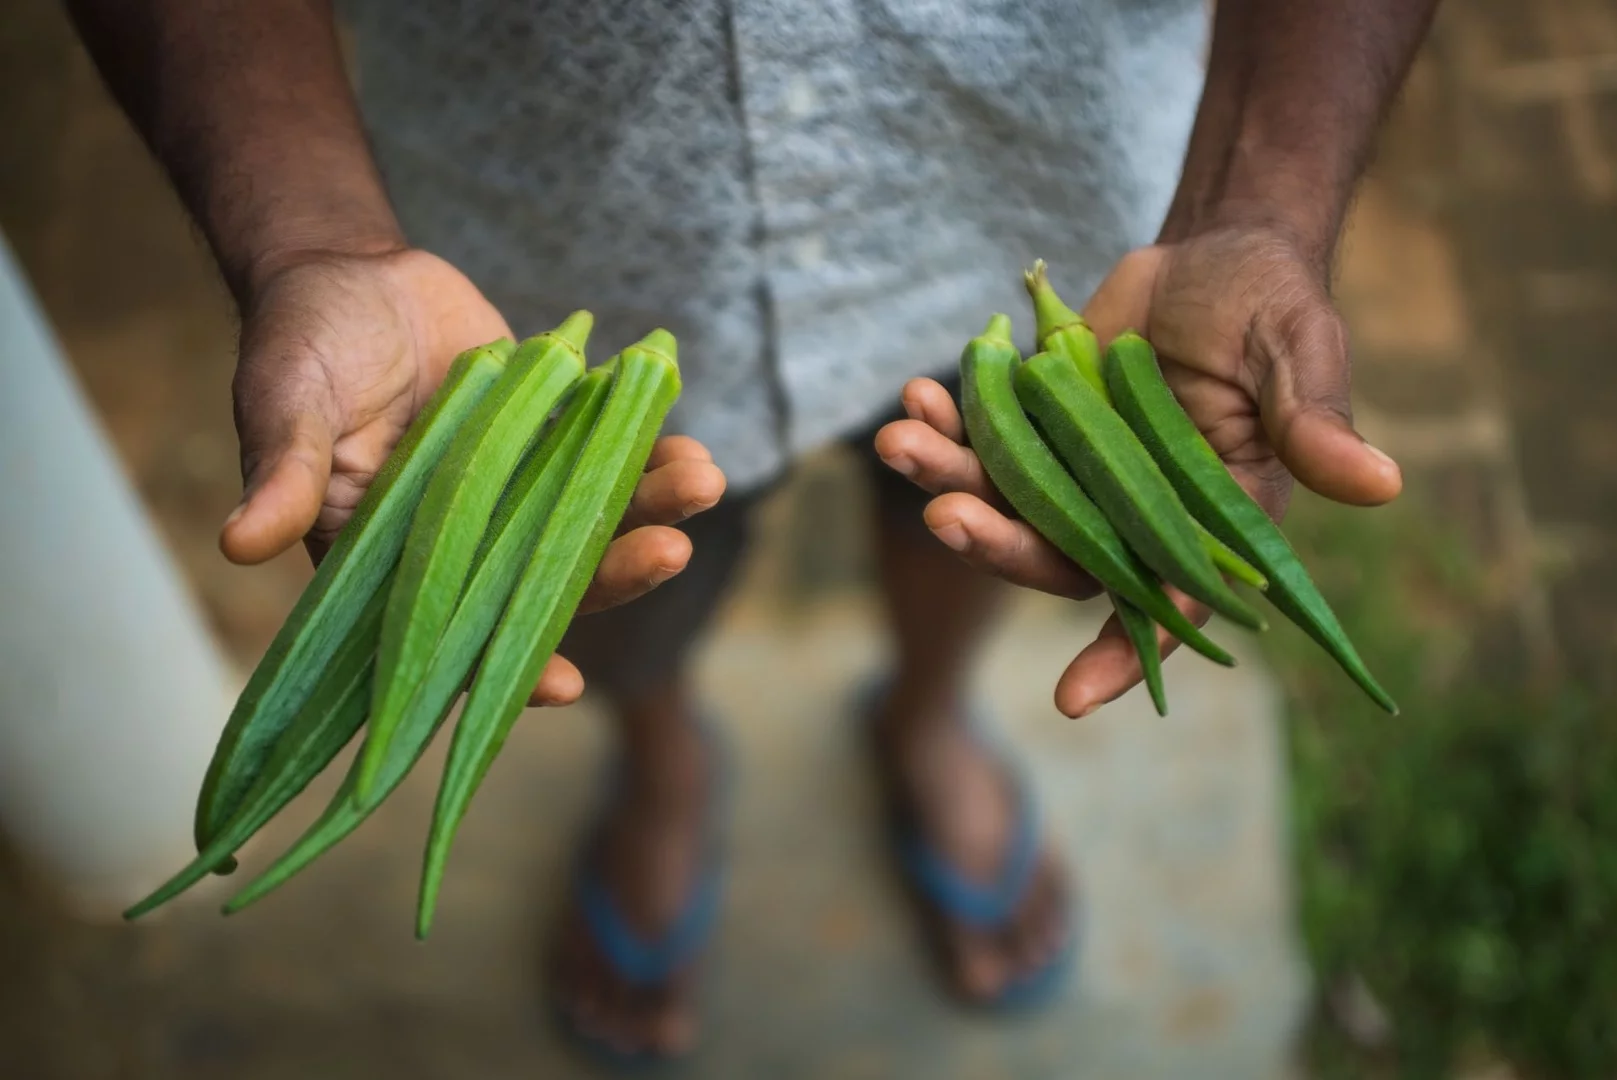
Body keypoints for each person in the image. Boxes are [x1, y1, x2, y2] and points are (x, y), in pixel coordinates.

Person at [67, 0, 1432, 1063]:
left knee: (970, 509)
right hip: (536, 241)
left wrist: (1259, 202)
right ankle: (664, 768)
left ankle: (926, 715)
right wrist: (316, 241)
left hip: (1029, 191)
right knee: (628, 580)